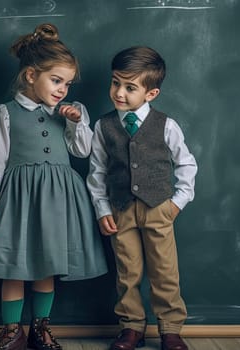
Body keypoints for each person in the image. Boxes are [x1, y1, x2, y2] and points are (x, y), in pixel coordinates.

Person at [0, 23, 107, 350]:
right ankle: (13, 331)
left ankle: (41, 328)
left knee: (49, 265)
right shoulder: (6, 113)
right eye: (56, 80)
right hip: (18, 196)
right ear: (29, 76)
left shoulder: (72, 112)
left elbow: (82, 151)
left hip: (59, 199)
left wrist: (75, 121)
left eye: (67, 83)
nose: (62, 89)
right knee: (13, 265)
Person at [87, 46, 197, 350]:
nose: (119, 92)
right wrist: (101, 208)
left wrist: (178, 201)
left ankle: (171, 329)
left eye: (130, 87)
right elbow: (97, 171)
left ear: (151, 93)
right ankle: (131, 327)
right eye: (115, 83)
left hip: (159, 207)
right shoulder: (103, 126)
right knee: (127, 272)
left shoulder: (166, 125)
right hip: (120, 210)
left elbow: (186, 163)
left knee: (164, 271)